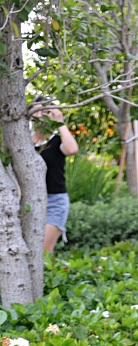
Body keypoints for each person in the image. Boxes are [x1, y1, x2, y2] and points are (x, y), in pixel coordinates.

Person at [32, 107, 79, 253]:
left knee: (44, 250)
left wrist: (60, 122)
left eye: (45, 112)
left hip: (54, 201)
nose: (41, 116)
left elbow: (72, 150)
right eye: (37, 112)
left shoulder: (57, 140)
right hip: (29, 200)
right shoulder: (23, 143)